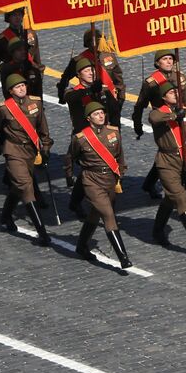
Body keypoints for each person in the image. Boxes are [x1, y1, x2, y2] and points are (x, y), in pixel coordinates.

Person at [0, 72, 53, 246]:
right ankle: (42, 233)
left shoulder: (36, 103)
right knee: (26, 186)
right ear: (10, 91)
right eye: (17, 87)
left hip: (30, 151)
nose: (21, 88)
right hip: (13, 150)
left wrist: (45, 148)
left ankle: (6, 215)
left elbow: (43, 128)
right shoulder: (4, 109)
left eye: (23, 85)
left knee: (18, 188)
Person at [68, 100, 132, 269]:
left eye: (102, 113)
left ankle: (81, 246)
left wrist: (120, 174)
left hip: (110, 179)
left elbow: (120, 156)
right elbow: (70, 157)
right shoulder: (81, 139)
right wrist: (69, 176)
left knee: (95, 214)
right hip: (92, 180)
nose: (100, 116)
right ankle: (123, 257)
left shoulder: (114, 132)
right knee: (108, 214)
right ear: (89, 118)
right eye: (96, 114)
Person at [148, 84, 186, 253]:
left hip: (184, 161)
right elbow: (153, 118)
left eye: (176, 91)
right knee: (181, 197)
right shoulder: (159, 112)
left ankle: (157, 230)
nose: (175, 94)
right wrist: (175, 115)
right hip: (167, 162)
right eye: (170, 93)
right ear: (163, 97)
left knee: (171, 197)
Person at [131, 48, 186, 198]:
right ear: (157, 63)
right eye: (164, 59)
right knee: (170, 152)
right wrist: (137, 125)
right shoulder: (151, 83)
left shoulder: (180, 77)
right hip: (163, 121)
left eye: (170, 59)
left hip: (181, 118)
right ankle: (184, 198)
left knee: (172, 154)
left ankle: (149, 184)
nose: (169, 62)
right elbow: (140, 104)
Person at [0, 7, 39, 95]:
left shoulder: (31, 34)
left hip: (31, 77)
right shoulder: (0, 40)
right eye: (14, 15)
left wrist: (38, 75)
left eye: (19, 15)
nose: (17, 18)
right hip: (13, 79)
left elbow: (36, 58)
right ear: (8, 17)